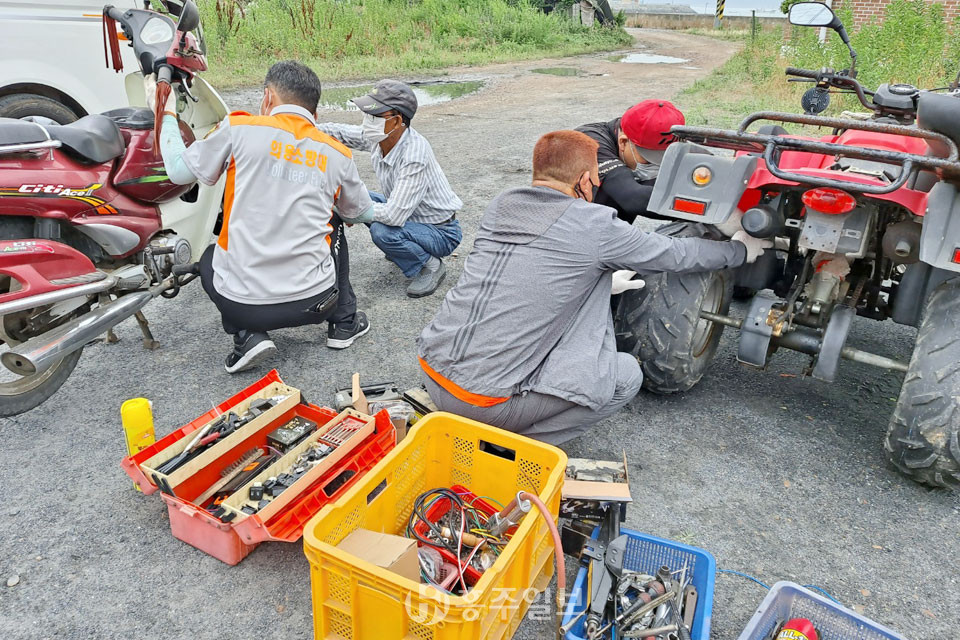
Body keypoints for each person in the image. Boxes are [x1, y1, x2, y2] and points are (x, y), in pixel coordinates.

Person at [416, 131, 770, 445]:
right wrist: (738, 250)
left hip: (433, 371)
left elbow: (533, 268)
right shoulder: (595, 225)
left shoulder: (502, 205)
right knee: (626, 375)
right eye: (596, 179)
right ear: (585, 180)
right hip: (484, 404)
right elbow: (676, 254)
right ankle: (513, 445)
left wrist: (600, 284)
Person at [152, 61, 374, 373]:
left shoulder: (240, 128)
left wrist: (167, 113)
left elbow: (177, 171)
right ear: (315, 113)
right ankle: (344, 322)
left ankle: (248, 336)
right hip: (317, 301)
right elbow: (361, 212)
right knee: (335, 220)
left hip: (245, 308)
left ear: (267, 98)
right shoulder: (336, 153)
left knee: (210, 256)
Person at [318, 80, 463, 298]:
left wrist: (352, 212)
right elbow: (340, 133)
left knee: (382, 231)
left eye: (375, 116)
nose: (368, 121)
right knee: (359, 198)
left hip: (440, 231)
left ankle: (429, 264)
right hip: (411, 217)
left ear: (396, 121)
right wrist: (301, 125)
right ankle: (406, 248)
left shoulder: (414, 154)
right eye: (367, 115)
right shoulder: (380, 138)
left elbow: (394, 215)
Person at [576, 99, 684, 225]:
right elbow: (632, 198)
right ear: (623, 142)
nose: (656, 165)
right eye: (649, 158)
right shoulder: (589, 142)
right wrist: (698, 208)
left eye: (664, 156)